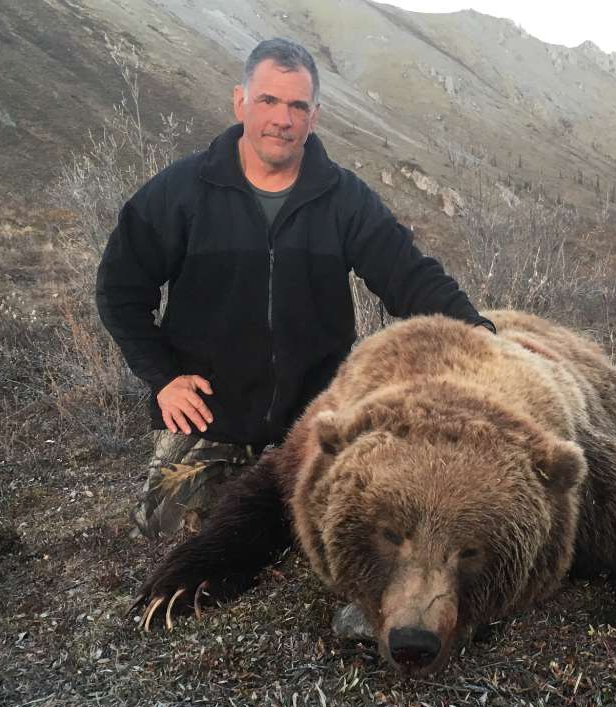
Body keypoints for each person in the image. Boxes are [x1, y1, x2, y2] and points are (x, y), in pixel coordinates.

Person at [97, 38, 494, 537]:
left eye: (297, 106)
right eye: (268, 100)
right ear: (241, 101)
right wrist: (163, 378)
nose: (282, 118)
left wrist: (481, 335)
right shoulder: (180, 192)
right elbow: (118, 290)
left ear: (314, 116)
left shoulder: (344, 198)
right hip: (213, 411)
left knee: (367, 522)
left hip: (319, 414)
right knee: (181, 528)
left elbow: (409, 277)